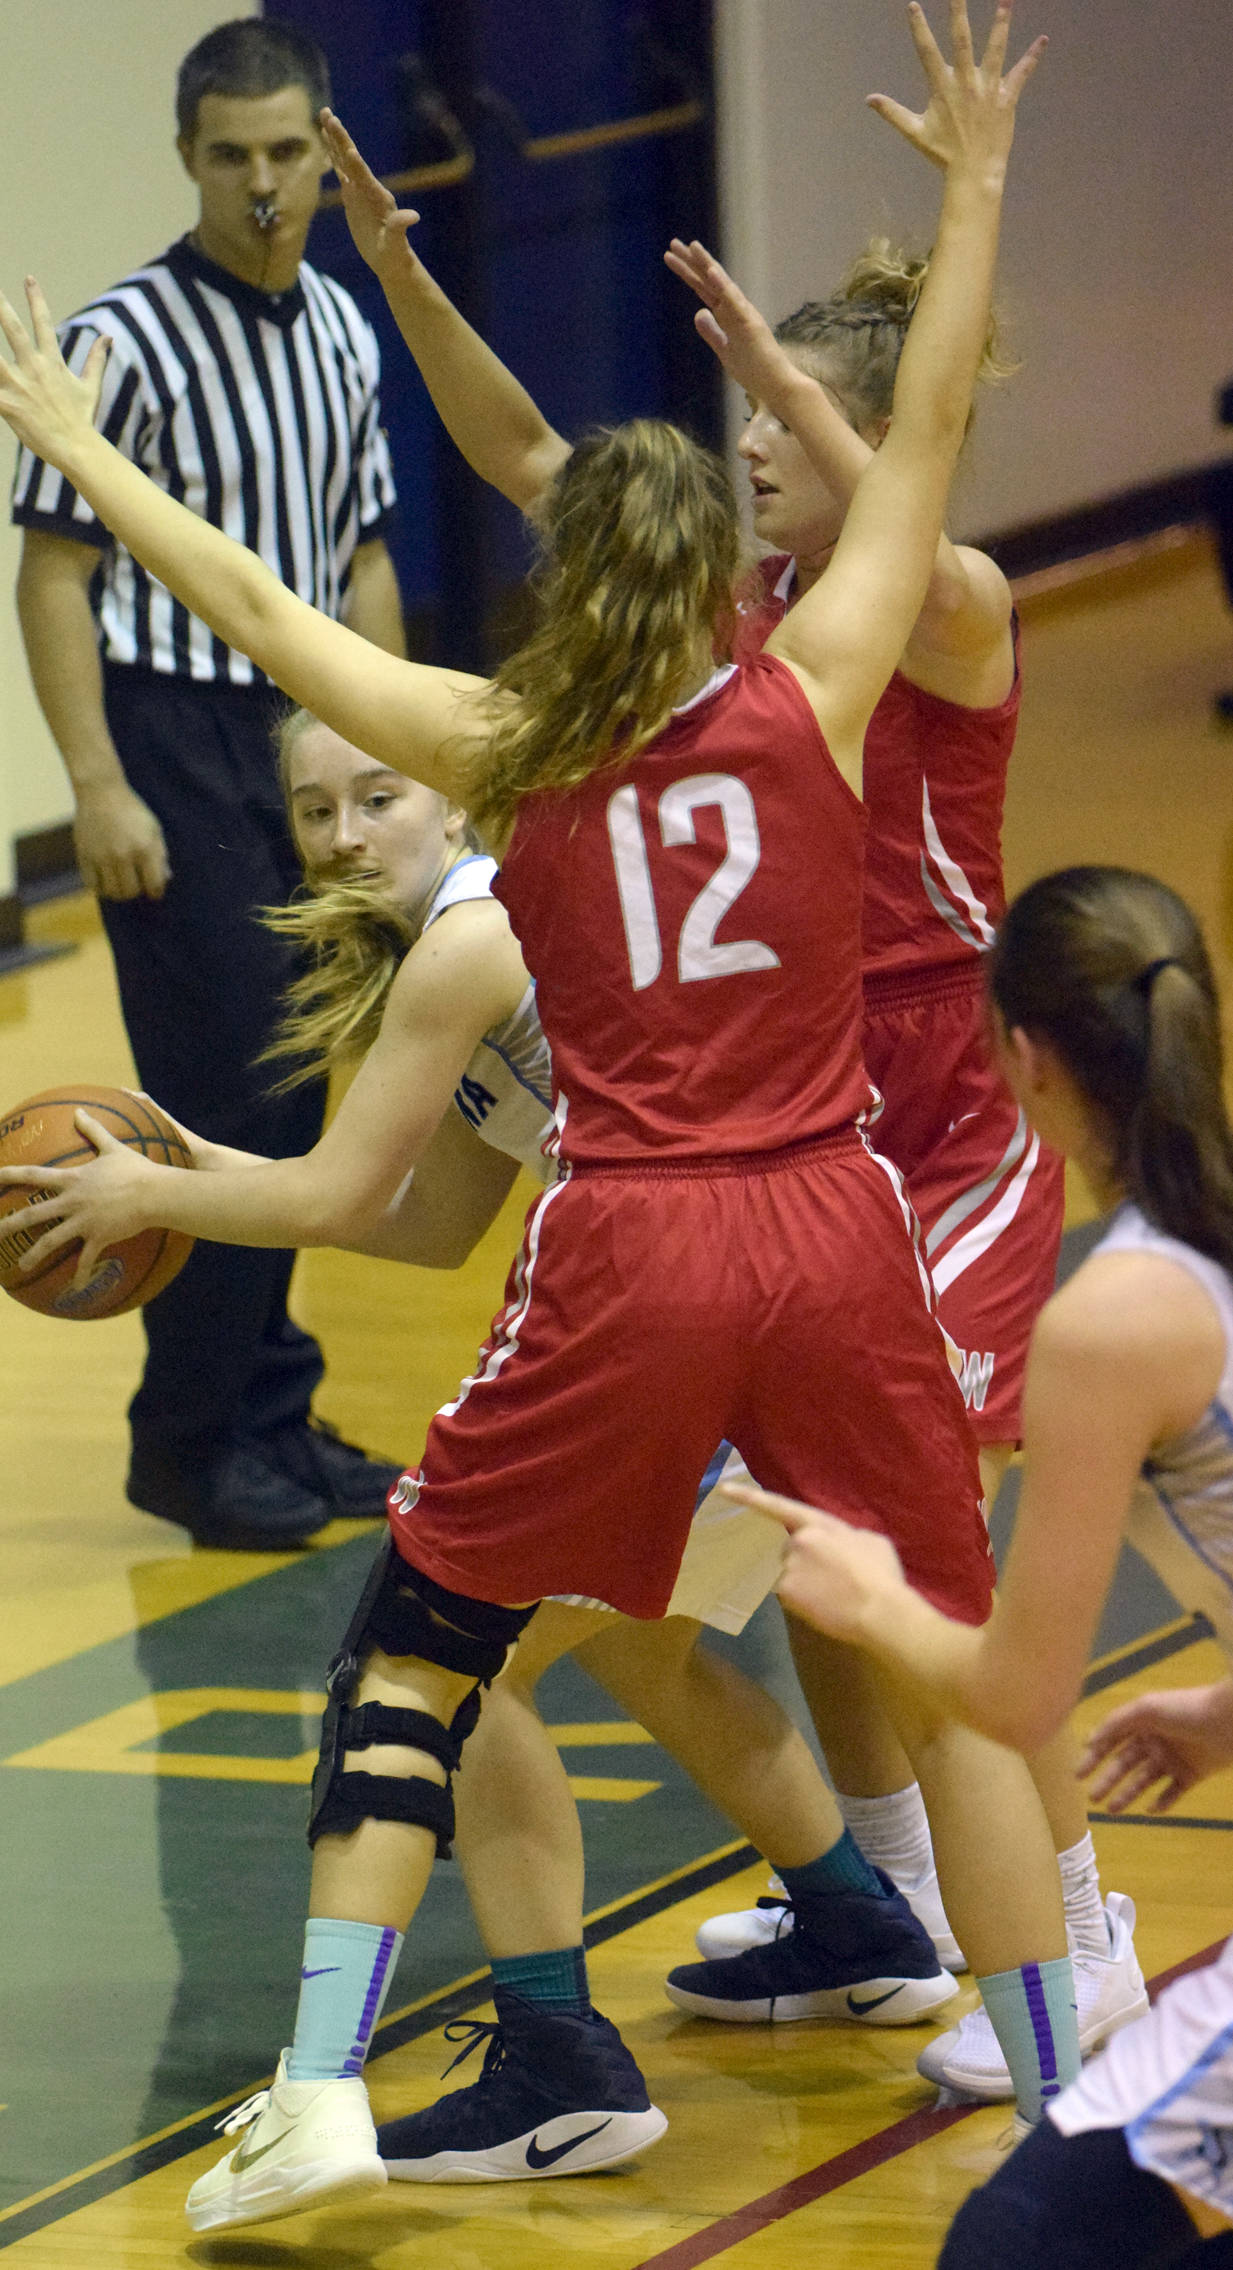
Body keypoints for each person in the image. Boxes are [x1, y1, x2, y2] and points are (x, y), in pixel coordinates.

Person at [0, 3, 1068, 2233]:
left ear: (566, 574)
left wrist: (83, 464)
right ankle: (1069, 2098)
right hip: (830, 1214)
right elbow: (937, 421)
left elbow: (260, 608)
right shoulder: (817, 682)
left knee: (421, 1637)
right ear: (717, 580)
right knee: (957, 1678)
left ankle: (318, 2081)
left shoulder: (500, 748)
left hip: (639, 1231)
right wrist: (971, 190)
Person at [314, 70, 1141, 2092]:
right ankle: (895, 1909)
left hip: (919, 1168)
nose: (750, 453)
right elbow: (526, 451)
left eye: (774, 428)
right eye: (743, 428)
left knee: (891, 1592)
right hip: (782, 1166)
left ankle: (1076, 1933)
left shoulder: (923, 613)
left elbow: (916, 464)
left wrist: (873, 316)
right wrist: (407, 281)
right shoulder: (744, 630)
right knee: (817, 1576)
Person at [7, 706, 957, 2179]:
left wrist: (153, 1204)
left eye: (377, 794)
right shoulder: (477, 939)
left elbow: (328, 1204)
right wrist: (192, 1172)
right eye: (314, 812)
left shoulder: (484, 930)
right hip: (786, 1305)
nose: (343, 835)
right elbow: (421, 1218)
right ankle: (853, 1918)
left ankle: (553, 2055)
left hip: (708, 1324)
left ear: (456, 796)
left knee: (462, 1678)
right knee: (633, 1643)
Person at [720, 862, 1233, 2266]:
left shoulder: (1116, 1320)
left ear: (1018, 1055)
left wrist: (875, 1600)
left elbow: (1013, 1695)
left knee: (1011, 2252)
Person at [9, 17, 406, 1548]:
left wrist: (394, 767)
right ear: (188, 158)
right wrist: (97, 781)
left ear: (324, 153)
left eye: (287, 153)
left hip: (308, 744)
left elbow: (364, 556)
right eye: (231, 155)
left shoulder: (346, 330)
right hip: (170, 736)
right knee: (225, 1085)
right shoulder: (123, 338)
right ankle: (186, 1446)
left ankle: (273, 1413)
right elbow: (53, 576)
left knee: (303, 1084)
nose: (262, 183)